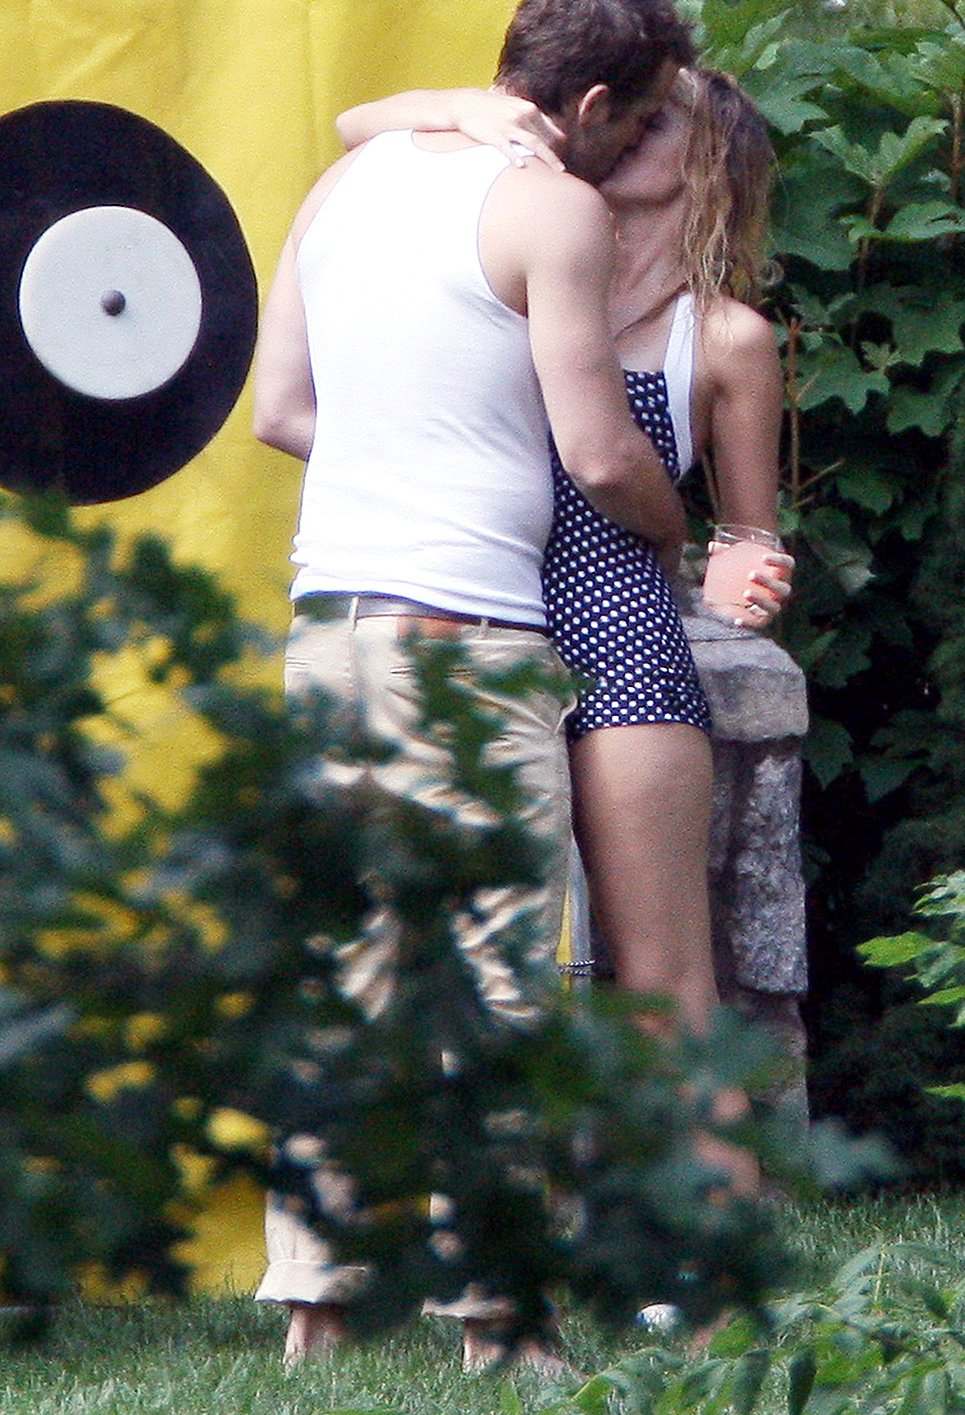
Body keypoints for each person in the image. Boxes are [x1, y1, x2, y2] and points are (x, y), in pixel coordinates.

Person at [250, 0, 696, 1369]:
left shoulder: (349, 185)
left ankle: (314, 1315)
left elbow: (279, 411)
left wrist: (409, 456)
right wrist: (681, 532)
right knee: (501, 995)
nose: (642, 152)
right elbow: (600, 452)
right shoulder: (549, 206)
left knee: (345, 982)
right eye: (644, 123)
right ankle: (503, 1328)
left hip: (330, 632)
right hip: (468, 642)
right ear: (596, 102)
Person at [338, 69, 792, 1194]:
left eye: (662, 115)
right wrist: (461, 104)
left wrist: (745, 573)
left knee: (664, 982)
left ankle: (714, 1256)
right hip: (480, 616)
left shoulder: (724, 337)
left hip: (624, 644)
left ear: (707, 161)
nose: (630, 121)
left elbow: (748, 536)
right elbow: (353, 123)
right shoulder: (521, 258)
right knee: (456, 965)